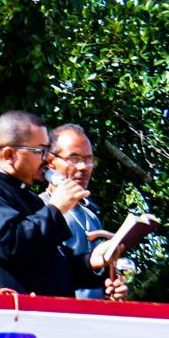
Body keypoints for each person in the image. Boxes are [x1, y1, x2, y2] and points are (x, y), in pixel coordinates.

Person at [0, 110, 127, 299]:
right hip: (15, 315)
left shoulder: (28, 198)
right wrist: (56, 209)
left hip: (46, 314)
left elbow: (52, 265)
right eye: (40, 151)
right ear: (9, 154)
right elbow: (11, 244)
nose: (46, 159)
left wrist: (92, 261)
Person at [46, 124, 110, 301]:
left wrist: (110, 289)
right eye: (74, 158)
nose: (83, 167)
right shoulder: (39, 208)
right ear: (51, 162)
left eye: (89, 160)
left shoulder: (91, 216)